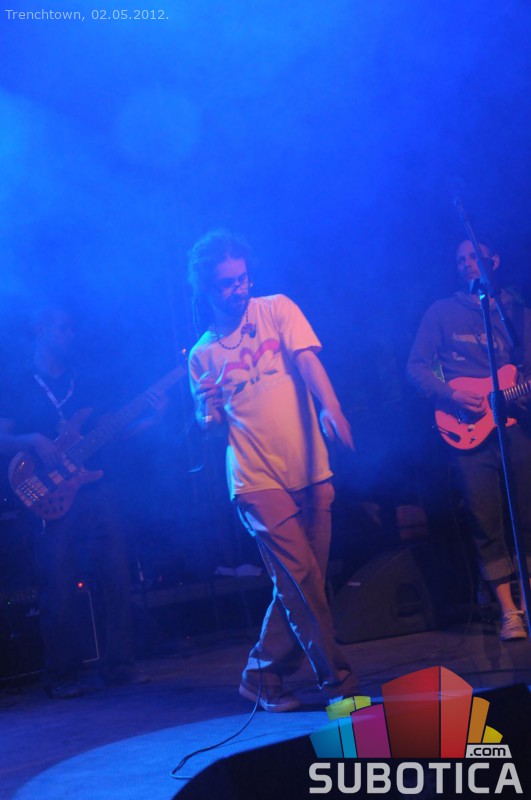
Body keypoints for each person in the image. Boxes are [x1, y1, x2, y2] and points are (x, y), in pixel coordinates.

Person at [187, 229, 358, 712]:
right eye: (226, 283)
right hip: (256, 480)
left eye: (242, 278)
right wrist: (206, 412)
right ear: (206, 290)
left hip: (311, 468)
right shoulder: (202, 353)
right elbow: (210, 428)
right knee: (303, 582)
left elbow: (307, 360)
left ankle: (260, 676)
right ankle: (340, 685)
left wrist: (331, 407)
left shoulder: (277, 308)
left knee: (304, 584)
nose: (238, 289)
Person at [0, 304, 167, 698]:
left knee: (117, 577)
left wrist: (153, 419)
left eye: (72, 328)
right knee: (58, 586)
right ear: (40, 330)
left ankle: (120, 666)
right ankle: (61, 675)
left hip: (94, 489)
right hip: (51, 497)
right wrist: (32, 439)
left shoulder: (83, 380)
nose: (70, 334)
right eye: (64, 328)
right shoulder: (17, 383)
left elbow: (112, 432)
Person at [407, 239, 531, 641]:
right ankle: (508, 611)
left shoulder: (516, 315)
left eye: (473, 257)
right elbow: (416, 368)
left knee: (526, 517)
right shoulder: (441, 312)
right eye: (459, 259)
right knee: (485, 520)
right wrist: (451, 394)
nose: (466, 264)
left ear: (493, 261)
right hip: (466, 430)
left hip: (514, 428)